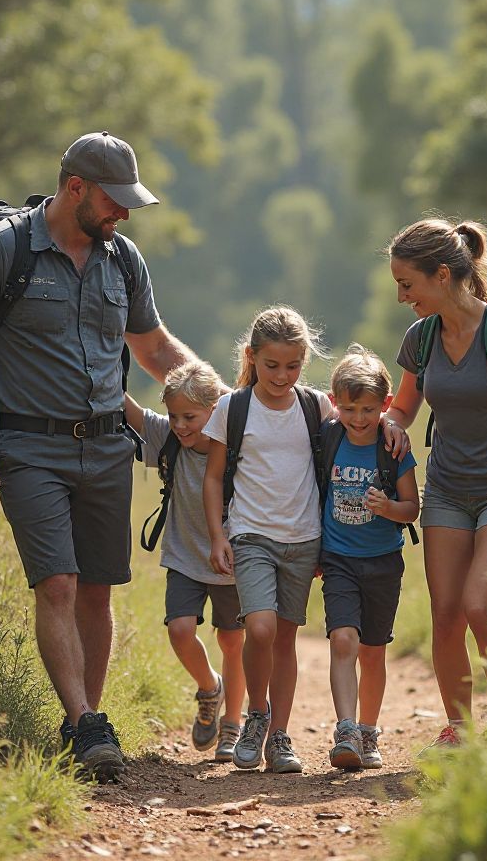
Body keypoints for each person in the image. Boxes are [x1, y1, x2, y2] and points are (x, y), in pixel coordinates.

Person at [0, 131, 194, 782]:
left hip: (107, 447)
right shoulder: (4, 250)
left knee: (97, 593)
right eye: (114, 201)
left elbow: (156, 349)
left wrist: (224, 403)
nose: (124, 215)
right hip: (27, 448)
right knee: (59, 582)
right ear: (75, 188)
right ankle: (82, 719)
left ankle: (86, 725)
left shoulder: (122, 259)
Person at [382, 218, 487, 750]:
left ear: (441, 275)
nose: (401, 296)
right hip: (447, 492)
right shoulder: (423, 337)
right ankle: (458, 726)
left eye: (407, 284)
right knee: (446, 614)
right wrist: (390, 424)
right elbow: (405, 405)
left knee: (480, 605)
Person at [201, 306, 335, 774]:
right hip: (250, 535)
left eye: (293, 365)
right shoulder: (231, 408)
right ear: (252, 357)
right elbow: (214, 477)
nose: (282, 375)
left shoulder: (315, 406)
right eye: (272, 365)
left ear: (304, 362)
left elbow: (353, 441)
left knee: (284, 639)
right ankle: (257, 714)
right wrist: (218, 537)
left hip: (304, 539)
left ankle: (280, 736)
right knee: (258, 628)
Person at [123, 361, 246, 762]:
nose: (179, 425)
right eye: (174, 415)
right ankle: (210, 687)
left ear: (216, 409)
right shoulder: (168, 439)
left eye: (190, 417)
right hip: (183, 554)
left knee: (232, 641)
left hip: (232, 559)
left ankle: (233, 725)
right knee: (179, 630)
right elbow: (132, 413)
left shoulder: (239, 440)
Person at [320, 345, 419, 770]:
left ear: (386, 405)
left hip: (382, 561)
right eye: (349, 408)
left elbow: (413, 508)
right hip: (338, 559)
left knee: (373, 652)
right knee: (343, 639)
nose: (358, 419)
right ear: (334, 403)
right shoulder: (328, 437)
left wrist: (388, 508)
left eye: (367, 409)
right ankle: (346, 730)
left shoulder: (393, 449)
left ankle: (368, 730)